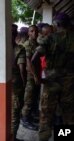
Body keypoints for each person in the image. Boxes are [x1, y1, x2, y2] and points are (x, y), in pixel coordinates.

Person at [33, 13, 74, 141]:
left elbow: (34, 59)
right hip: (70, 83)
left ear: (56, 24)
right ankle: (64, 137)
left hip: (51, 82)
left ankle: (44, 138)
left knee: (46, 114)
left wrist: (38, 78)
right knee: (68, 114)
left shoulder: (50, 38)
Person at [21, 25, 41, 130]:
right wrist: (35, 77)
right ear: (28, 33)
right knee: (28, 98)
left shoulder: (36, 44)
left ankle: (31, 116)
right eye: (32, 31)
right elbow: (28, 64)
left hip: (37, 74)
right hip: (30, 76)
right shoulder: (27, 44)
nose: (34, 33)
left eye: (36, 31)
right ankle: (25, 120)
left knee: (34, 97)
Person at [11, 29, 27, 139]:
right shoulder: (19, 49)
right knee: (14, 114)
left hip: (1, 85)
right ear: (16, 35)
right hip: (15, 85)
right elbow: (22, 69)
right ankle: (13, 137)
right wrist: (25, 83)